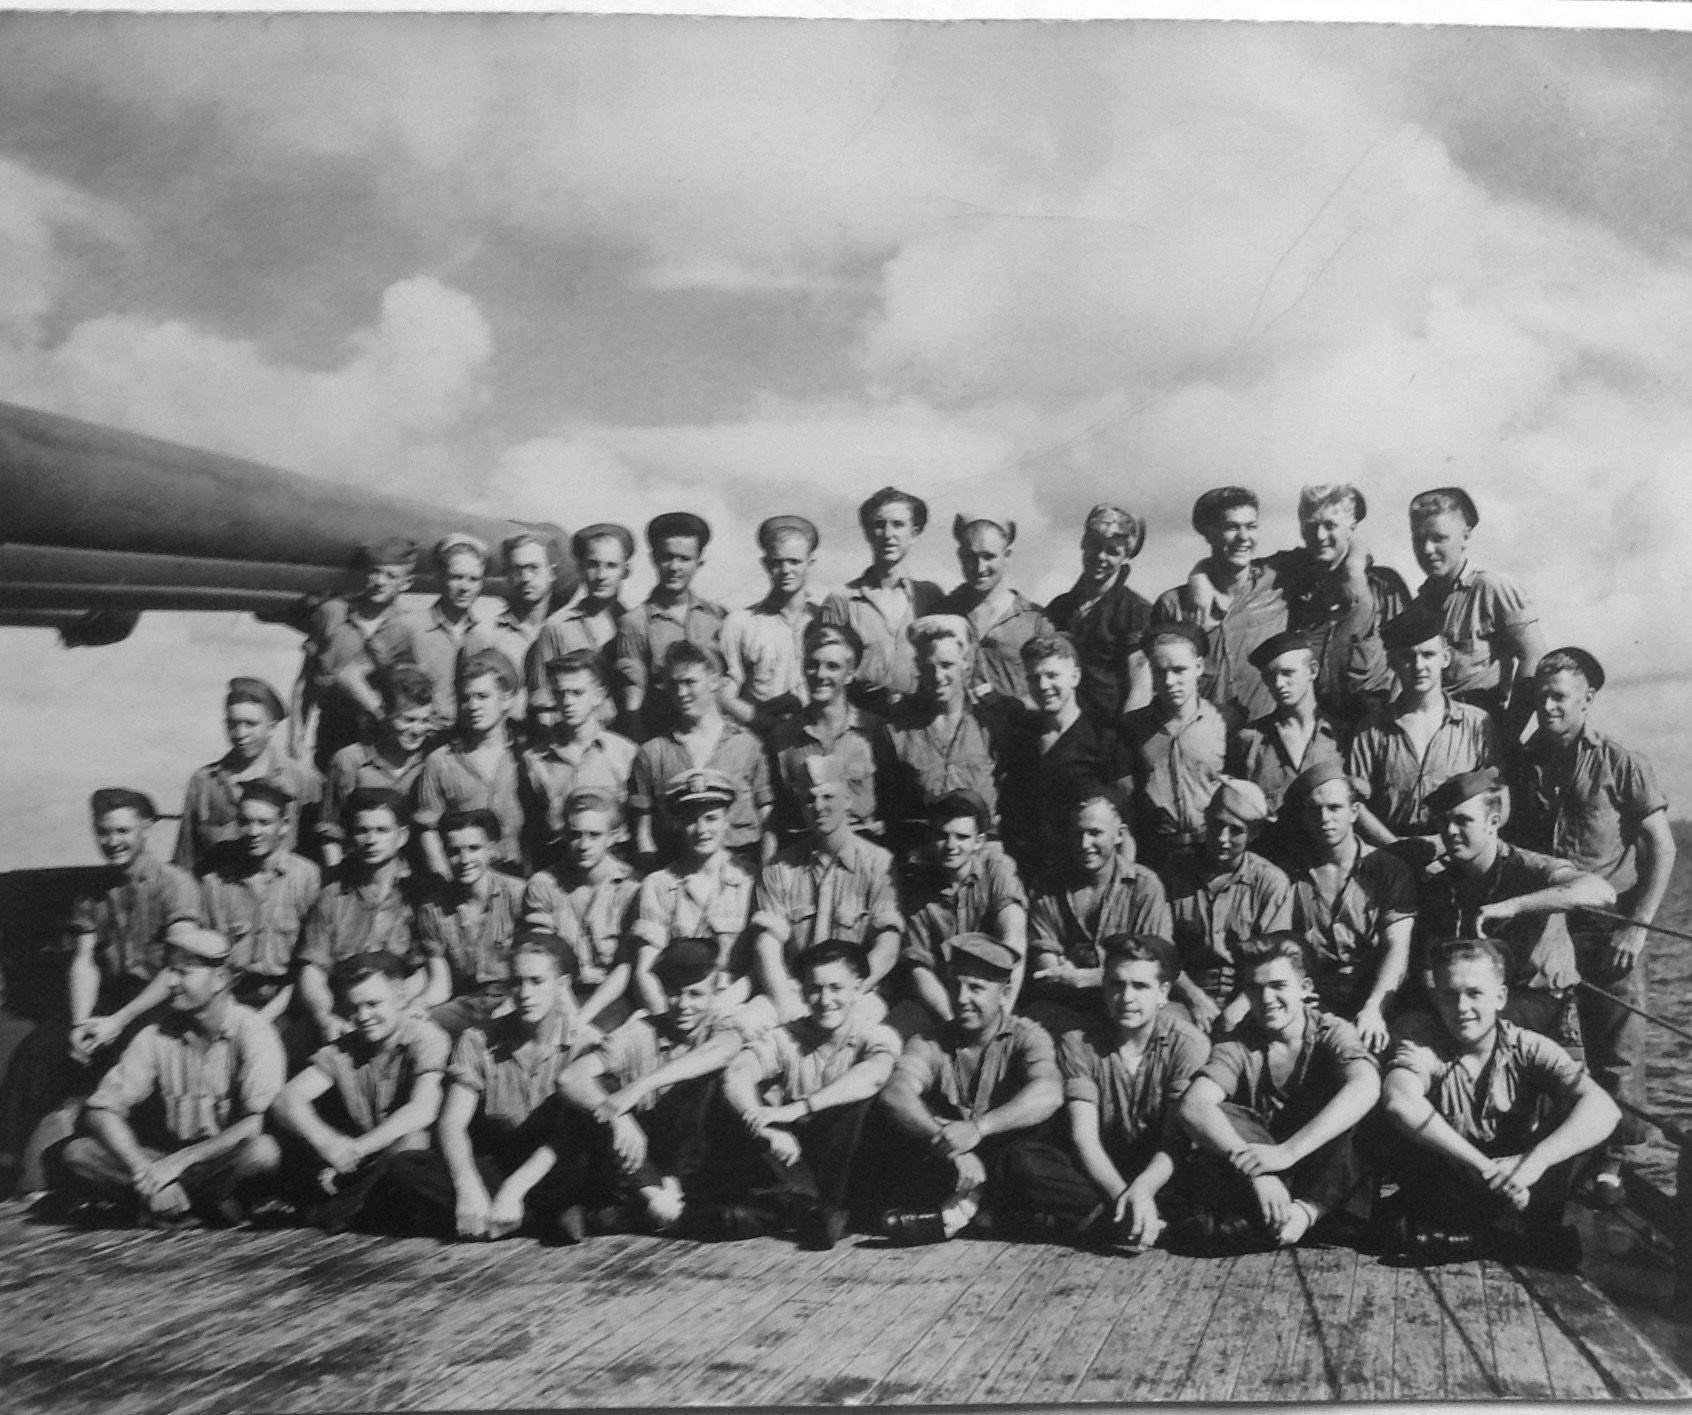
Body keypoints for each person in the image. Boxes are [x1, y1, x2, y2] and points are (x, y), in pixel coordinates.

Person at [1506, 648, 1676, 1199]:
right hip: (1545, 925)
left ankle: (1612, 1161)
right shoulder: (1523, 763)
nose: (1548, 708)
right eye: (1541, 698)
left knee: (1615, 1049)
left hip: (1607, 926)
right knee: (1535, 1037)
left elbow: (1662, 848)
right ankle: (1536, 1150)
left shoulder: (1621, 761)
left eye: (1559, 697)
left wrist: (1638, 926)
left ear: (1588, 699)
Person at [4, 790, 204, 1196]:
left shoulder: (175, 884)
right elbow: (85, 961)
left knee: (135, 1055)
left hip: (162, 999)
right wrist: (80, 1024)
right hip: (110, 998)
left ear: (146, 829)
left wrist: (118, 1022)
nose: (113, 842)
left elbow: (177, 968)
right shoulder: (93, 890)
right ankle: (21, 1170)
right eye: (104, 832)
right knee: (36, 1052)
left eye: (123, 831)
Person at [1380, 938, 1619, 1266]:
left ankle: (1490, 1238)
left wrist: (1533, 1162)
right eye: (1450, 995)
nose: (1462, 1007)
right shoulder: (1423, 1045)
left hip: (1517, 1179)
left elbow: (1605, 1109)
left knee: (1575, 1110)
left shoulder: (1528, 1046)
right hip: (1454, 1178)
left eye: (1474, 993)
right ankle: (1512, 1241)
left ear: (1500, 998)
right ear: (1436, 999)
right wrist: (1485, 1168)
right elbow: (1399, 1101)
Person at [55, 928, 283, 1226]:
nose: (171, 983)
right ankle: (187, 1206)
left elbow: (254, 1125)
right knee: (77, 1153)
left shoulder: (254, 1033)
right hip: (162, 1165)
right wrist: (143, 1169)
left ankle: (169, 1208)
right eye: (170, 971)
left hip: (217, 1162)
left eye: (183, 973)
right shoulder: (155, 1035)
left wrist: (180, 1162)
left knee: (263, 1152)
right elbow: (101, 1110)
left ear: (219, 980)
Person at [1004, 936, 1209, 1251]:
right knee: (1022, 1159)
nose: (1126, 997)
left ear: (1163, 993)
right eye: (1116, 984)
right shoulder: (1078, 1042)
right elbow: (1084, 1138)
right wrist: (1122, 1197)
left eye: (1140, 986)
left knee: (1207, 1174)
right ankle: (1132, 1221)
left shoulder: (1188, 1044)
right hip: (1102, 1168)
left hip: (1161, 1169)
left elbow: (1174, 1142)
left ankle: (1116, 1223)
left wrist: (1142, 1190)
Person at [1176, 933, 1380, 1251]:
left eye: (1278, 986)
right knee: (1222, 1115)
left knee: (1360, 1112)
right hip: (1268, 1169)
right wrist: (1259, 1173)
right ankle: (1284, 1218)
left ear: (1305, 988)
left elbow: (1366, 1084)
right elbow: (1194, 1105)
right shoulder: (1239, 1043)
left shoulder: (1331, 1030)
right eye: (1255, 988)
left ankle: (1307, 1213)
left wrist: (1288, 1152)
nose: (1267, 998)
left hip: (1323, 1169)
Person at [387, 931, 591, 1241]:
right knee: (405, 1166)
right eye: (516, 982)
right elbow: (452, 1123)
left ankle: (520, 1211)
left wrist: (512, 1191)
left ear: (561, 985)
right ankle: (535, 1217)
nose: (525, 993)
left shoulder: (582, 1043)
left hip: (555, 1162)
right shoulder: (478, 1040)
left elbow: (569, 1137)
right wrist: (467, 1188)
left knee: (582, 1153)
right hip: (505, 1158)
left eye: (537, 981)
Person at [709, 940, 902, 1248]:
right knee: (729, 1099)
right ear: (802, 991)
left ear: (857, 988)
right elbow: (738, 1072)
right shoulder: (788, 1036)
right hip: (801, 1160)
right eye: (814, 989)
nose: (825, 1000)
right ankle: (812, 1213)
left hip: (852, 1167)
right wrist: (763, 1125)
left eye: (836, 988)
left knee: (859, 1104)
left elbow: (874, 1076)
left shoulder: (875, 1034)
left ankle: (798, 1212)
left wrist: (799, 1107)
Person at [875, 934, 1064, 1244]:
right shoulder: (929, 1041)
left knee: (1025, 1161)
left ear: (1004, 994)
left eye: (976, 988)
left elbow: (1049, 1092)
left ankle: (970, 1213)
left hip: (1005, 1156)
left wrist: (979, 1128)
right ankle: (976, 1213)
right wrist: (951, 1144)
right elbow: (895, 1094)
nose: (961, 998)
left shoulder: (1027, 1036)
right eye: (955, 986)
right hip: (955, 1163)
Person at [1417, 768, 1617, 1057]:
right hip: (1475, 1003)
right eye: (1444, 822)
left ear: (1493, 822)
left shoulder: (1529, 868)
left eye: (1462, 821)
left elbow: (1602, 892)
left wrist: (1513, 906)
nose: (1450, 831)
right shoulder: (1442, 883)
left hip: (1541, 1005)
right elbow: (1430, 962)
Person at [555, 937, 745, 1238]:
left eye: (696, 994)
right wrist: (618, 1119)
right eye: (674, 993)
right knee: (599, 1090)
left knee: (713, 1079)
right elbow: (570, 1078)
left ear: (715, 990)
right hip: (646, 1159)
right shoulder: (642, 1030)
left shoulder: (725, 1023)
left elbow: (723, 1051)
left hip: (702, 1163)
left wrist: (642, 1085)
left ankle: (661, 1204)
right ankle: (657, 1200)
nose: (684, 1005)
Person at [271, 951, 448, 1232]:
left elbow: (422, 1110)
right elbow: (286, 1099)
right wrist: (328, 1142)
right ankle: (358, 1205)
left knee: (412, 1143)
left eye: (373, 1004)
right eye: (353, 1007)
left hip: (416, 1162)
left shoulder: (427, 1037)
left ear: (401, 997)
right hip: (370, 1161)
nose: (363, 1016)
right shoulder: (346, 1048)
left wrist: (356, 1150)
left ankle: (349, 1206)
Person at [748, 755, 903, 1023]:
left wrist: (849, 992)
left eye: (828, 797)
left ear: (847, 800)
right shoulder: (780, 868)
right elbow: (767, 945)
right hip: (795, 989)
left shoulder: (878, 864)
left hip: (856, 993)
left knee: (869, 1034)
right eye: (809, 799)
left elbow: (888, 945)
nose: (818, 807)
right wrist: (784, 1000)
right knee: (744, 1023)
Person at [1282, 761, 1415, 1052]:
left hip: (1375, 998)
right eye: (1314, 810)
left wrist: (1375, 1008)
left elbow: (1397, 948)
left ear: (1354, 812)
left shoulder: (1388, 870)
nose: (1324, 819)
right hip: (1313, 1000)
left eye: (1334, 808)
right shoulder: (1288, 874)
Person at [1346, 604, 1500, 848]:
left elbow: (1496, 796)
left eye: (1428, 655)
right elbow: (1356, 803)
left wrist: (1443, 846)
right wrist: (1396, 847)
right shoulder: (1371, 730)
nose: (1418, 666)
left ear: (1445, 658)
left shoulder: (1476, 724)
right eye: (1408, 657)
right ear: (1392, 662)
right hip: (1390, 852)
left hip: (1455, 851)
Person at [294, 787, 429, 1047]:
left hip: (397, 1011)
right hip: (344, 1010)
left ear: (401, 836)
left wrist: (400, 1004)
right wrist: (325, 1016)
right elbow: (312, 969)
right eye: (362, 830)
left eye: (382, 830)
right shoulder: (332, 896)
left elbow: (425, 970)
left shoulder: (418, 894)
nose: (370, 840)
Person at [1267, 484, 1408, 728]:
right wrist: (1200, 575)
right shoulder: (1293, 584)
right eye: (1311, 526)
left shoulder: (1384, 587)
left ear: (1351, 527)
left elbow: (1411, 658)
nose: (1320, 535)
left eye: (1330, 525)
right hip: (1320, 731)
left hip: (1376, 729)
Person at [1408, 487, 1544, 739]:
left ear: (1466, 536)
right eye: (1419, 539)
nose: (1427, 549)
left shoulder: (1492, 588)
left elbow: (1535, 659)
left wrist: (1508, 734)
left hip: (1481, 731)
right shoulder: (1419, 604)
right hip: (1431, 732)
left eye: (1439, 538)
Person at [1026, 788, 1172, 1021]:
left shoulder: (1145, 887)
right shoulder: (1046, 887)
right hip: (1066, 1007)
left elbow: (1154, 965)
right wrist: (1103, 974)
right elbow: (1047, 970)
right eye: (1077, 834)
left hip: (1130, 1004)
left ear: (1119, 835)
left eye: (1095, 833)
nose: (1085, 844)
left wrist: (1083, 978)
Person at [1162, 780, 1293, 1038]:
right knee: (1168, 1032)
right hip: (1185, 995)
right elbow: (1161, 948)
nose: (1223, 838)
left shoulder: (1270, 882)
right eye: (1217, 825)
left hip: (1250, 996)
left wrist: (1238, 1008)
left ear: (1253, 833)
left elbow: (1273, 957)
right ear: (1205, 819)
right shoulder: (1175, 872)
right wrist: (1195, 999)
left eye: (1236, 831)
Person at [627, 642, 771, 868]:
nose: (681, 693)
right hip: (677, 869)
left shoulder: (748, 746)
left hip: (740, 869)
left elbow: (767, 821)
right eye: (673, 684)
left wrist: (765, 873)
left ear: (714, 681)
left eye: (689, 682)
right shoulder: (653, 753)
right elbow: (642, 832)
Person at [874, 615, 1006, 857]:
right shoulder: (897, 731)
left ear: (965, 662)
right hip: (922, 856)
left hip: (982, 856)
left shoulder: (991, 723)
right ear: (918, 666)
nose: (937, 677)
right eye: (928, 667)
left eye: (947, 665)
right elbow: (890, 807)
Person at [629, 770, 758, 1016]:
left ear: (727, 820)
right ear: (677, 823)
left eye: (711, 818)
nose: (701, 829)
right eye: (690, 820)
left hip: (732, 1005)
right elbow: (645, 971)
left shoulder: (750, 881)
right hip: (674, 1006)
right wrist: (666, 1017)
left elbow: (757, 967)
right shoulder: (658, 885)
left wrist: (720, 1008)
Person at [1153, 487, 1286, 725]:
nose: (1243, 537)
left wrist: (1355, 563)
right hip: (1198, 736)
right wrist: (1199, 576)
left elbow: (1336, 550)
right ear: (1209, 533)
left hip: (1263, 736)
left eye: (1251, 526)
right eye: (1231, 527)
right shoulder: (1173, 605)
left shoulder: (1279, 583)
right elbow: (1151, 683)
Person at [197, 781, 321, 1035]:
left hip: (286, 1001)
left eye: (264, 823)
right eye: (245, 822)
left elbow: (307, 960)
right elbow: (207, 959)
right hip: (228, 998)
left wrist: (265, 1018)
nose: (253, 832)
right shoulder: (216, 882)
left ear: (284, 825)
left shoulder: (305, 876)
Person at [998, 633, 1127, 877]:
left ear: (1075, 677)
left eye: (1052, 675)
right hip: (1030, 872)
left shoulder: (1104, 736)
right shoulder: (1021, 739)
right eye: (1034, 678)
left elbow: (1125, 814)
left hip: (1085, 872)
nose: (1043, 686)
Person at [899, 790, 1028, 1029]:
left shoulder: (997, 870)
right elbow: (918, 966)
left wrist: (999, 1017)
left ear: (978, 841)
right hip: (941, 1000)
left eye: (961, 837)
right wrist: (952, 1022)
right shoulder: (918, 886)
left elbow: (1014, 941)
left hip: (993, 999)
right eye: (942, 836)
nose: (951, 846)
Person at [291, 536, 420, 773]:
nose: (380, 581)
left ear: (406, 583)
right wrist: (296, 733)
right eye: (375, 572)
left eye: (391, 576)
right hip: (332, 727)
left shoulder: (405, 628)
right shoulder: (332, 613)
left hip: (377, 733)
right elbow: (305, 681)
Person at [522, 787, 640, 1035]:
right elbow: (542, 955)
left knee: (594, 1038)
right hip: (557, 990)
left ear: (613, 836)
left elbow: (626, 967)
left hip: (611, 996)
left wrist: (581, 1018)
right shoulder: (544, 884)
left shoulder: (631, 887)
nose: (584, 845)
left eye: (594, 835)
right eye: (576, 835)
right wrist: (567, 1010)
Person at [173, 676, 320, 872]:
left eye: (251, 724)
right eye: (233, 724)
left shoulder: (301, 780)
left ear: (271, 727)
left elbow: (315, 859)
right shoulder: (204, 782)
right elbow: (185, 858)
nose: (240, 733)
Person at [822, 486, 946, 716]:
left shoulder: (930, 597)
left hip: (916, 721)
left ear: (914, 533)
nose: (888, 534)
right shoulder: (842, 600)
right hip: (860, 721)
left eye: (898, 524)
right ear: (867, 533)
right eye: (879, 525)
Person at [1117, 623, 1230, 873]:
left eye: (1179, 670)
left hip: (1213, 852)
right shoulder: (1132, 729)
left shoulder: (1225, 722)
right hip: (1157, 856)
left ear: (1198, 667)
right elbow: (1127, 804)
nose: (1169, 681)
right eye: (1160, 671)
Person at [1225, 629, 1345, 864]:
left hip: (1331, 865)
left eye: (1288, 673)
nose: (1279, 683)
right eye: (1270, 676)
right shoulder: (1249, 741)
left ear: (1312, 671)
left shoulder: (1342, 736)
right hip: (1271, 863)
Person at [612, 511, 726, 741]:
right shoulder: (634, 623)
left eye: (684, 559)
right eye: (667, 557)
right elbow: (632, 697)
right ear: (654, 559)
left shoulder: (718, 617)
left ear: (699, 562)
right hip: (662, 737)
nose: (675, 567)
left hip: (715, 737)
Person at [767, 621, 881, 850]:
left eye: (832, 666)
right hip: (806, 850)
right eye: (812, 665)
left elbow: (891, 804)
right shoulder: (784, 738)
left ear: (849, 674)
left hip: (865, 848)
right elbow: (777, 813)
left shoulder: (873, 732)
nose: (820, 674)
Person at [414, 648, 526, 877]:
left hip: (519, 877)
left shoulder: (524, 757)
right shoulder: (441, 761)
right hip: (465, 878)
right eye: (466, 698)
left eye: (483, 696)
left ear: (506, 698)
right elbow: (427, 828)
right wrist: (444, 875)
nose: (473, 706)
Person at [520, 649, 638, 866]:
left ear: (598, 695)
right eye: (560, 693)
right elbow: (531, 834)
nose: (567, 702)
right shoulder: (535, 760)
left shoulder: (624, 754)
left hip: (613, 867)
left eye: (577, 693)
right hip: (557, 866)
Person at [416, 809, 526, 1039]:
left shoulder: (518, 895)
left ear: (492, 849)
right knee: (416, 1028)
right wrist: (415, 1008)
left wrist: (515, 1003)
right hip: (466, 1003)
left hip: (515, 998)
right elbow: (440, 985)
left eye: (474, 848)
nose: (464, 860)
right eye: (454, 852)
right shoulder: (433, 909)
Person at [316, 664, 436, 869]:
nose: (417, 730)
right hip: (359, 869)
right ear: (384, 713)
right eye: (408, 720)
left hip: (415, 872)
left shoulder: (431, 760)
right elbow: (330, 832)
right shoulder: (349, 761)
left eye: (425, 721)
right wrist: (337, 876)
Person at [1045, 503, 1153, 722]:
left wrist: (1127, 735)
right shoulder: (1059, 608)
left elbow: (1141, 687)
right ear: (1083, 543)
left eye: (1112, 551)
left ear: (1125, 556)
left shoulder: (1136, 611)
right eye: (1095, 545)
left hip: (1110, 729)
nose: (1101, 556)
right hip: (1060, 727)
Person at [719, 515, 823, 736]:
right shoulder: (740, 623)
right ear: (765, 564)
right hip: (759, 739)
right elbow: (724, 695)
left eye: (794, 561)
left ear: (810, 563)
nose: (785, 570)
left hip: (813, 738)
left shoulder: (824, 622)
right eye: (777, 562)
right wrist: (764, 722)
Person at [943, 513, 1055, 706]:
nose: (980, 567)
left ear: (1007, 556)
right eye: (971, 557)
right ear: (960, 556)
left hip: (1016, 723)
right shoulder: (943, 613)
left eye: (989, 556)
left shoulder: (1034, 620)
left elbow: (1051, 689)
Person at [527, 522, 633, 722]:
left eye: (611, 566)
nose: (601, 576)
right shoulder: (557, 627)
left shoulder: (634, 624)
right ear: (580, 568)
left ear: (626, 571)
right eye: (593, 564)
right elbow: (542, 698)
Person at [403, 533, 495, 734]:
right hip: (420, 737)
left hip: (465, 739)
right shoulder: (410, 627)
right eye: (456, 577)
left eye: (473, 579)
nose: (465, 588)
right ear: (440, 577)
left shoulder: (484, 636)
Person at [480, 531, 565, 722]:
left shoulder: (565, 630)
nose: (525, 577)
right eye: (517, 570)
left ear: (552, 572)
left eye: (534, 568)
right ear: (507, 575)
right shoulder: (488, 634)